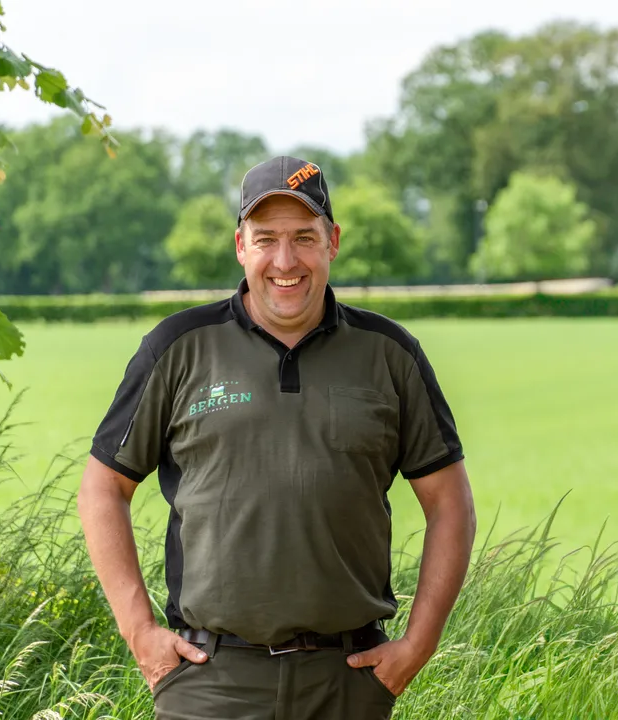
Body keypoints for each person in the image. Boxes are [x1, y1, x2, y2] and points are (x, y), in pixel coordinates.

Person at [77, 155, 477, 719]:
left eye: (304, 238)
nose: (285, 261)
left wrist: (417, 645)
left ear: (332, 242)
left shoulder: (389, 354)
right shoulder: (179, 347)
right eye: (266, 239)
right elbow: (102, 489)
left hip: (348, 682)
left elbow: (450, 503)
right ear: (241, 245)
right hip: (210, 682)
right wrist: (140, 632)